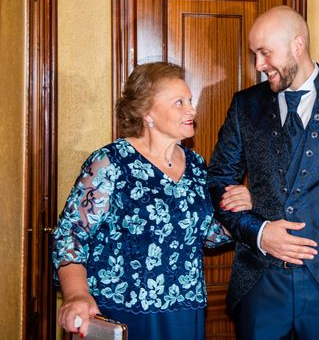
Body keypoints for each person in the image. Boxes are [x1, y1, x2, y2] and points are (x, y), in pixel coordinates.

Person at [207, 5, 319, 339]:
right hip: (260, 283)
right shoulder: (245, 105)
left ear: (298, 45)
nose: (259, 65)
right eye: (255, 55)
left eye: (265, 53)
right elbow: (218, 181)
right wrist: (259, 231)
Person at [52, 62, 253, 339]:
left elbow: (204, 234)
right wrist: (76, 294)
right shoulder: (111, 162)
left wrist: (237, 210)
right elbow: (71, 234)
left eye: (190, 101)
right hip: (123, 312)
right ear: (147, 113)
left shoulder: (196, 165)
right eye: (179, 102)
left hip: (185, 310)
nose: (191, 110)